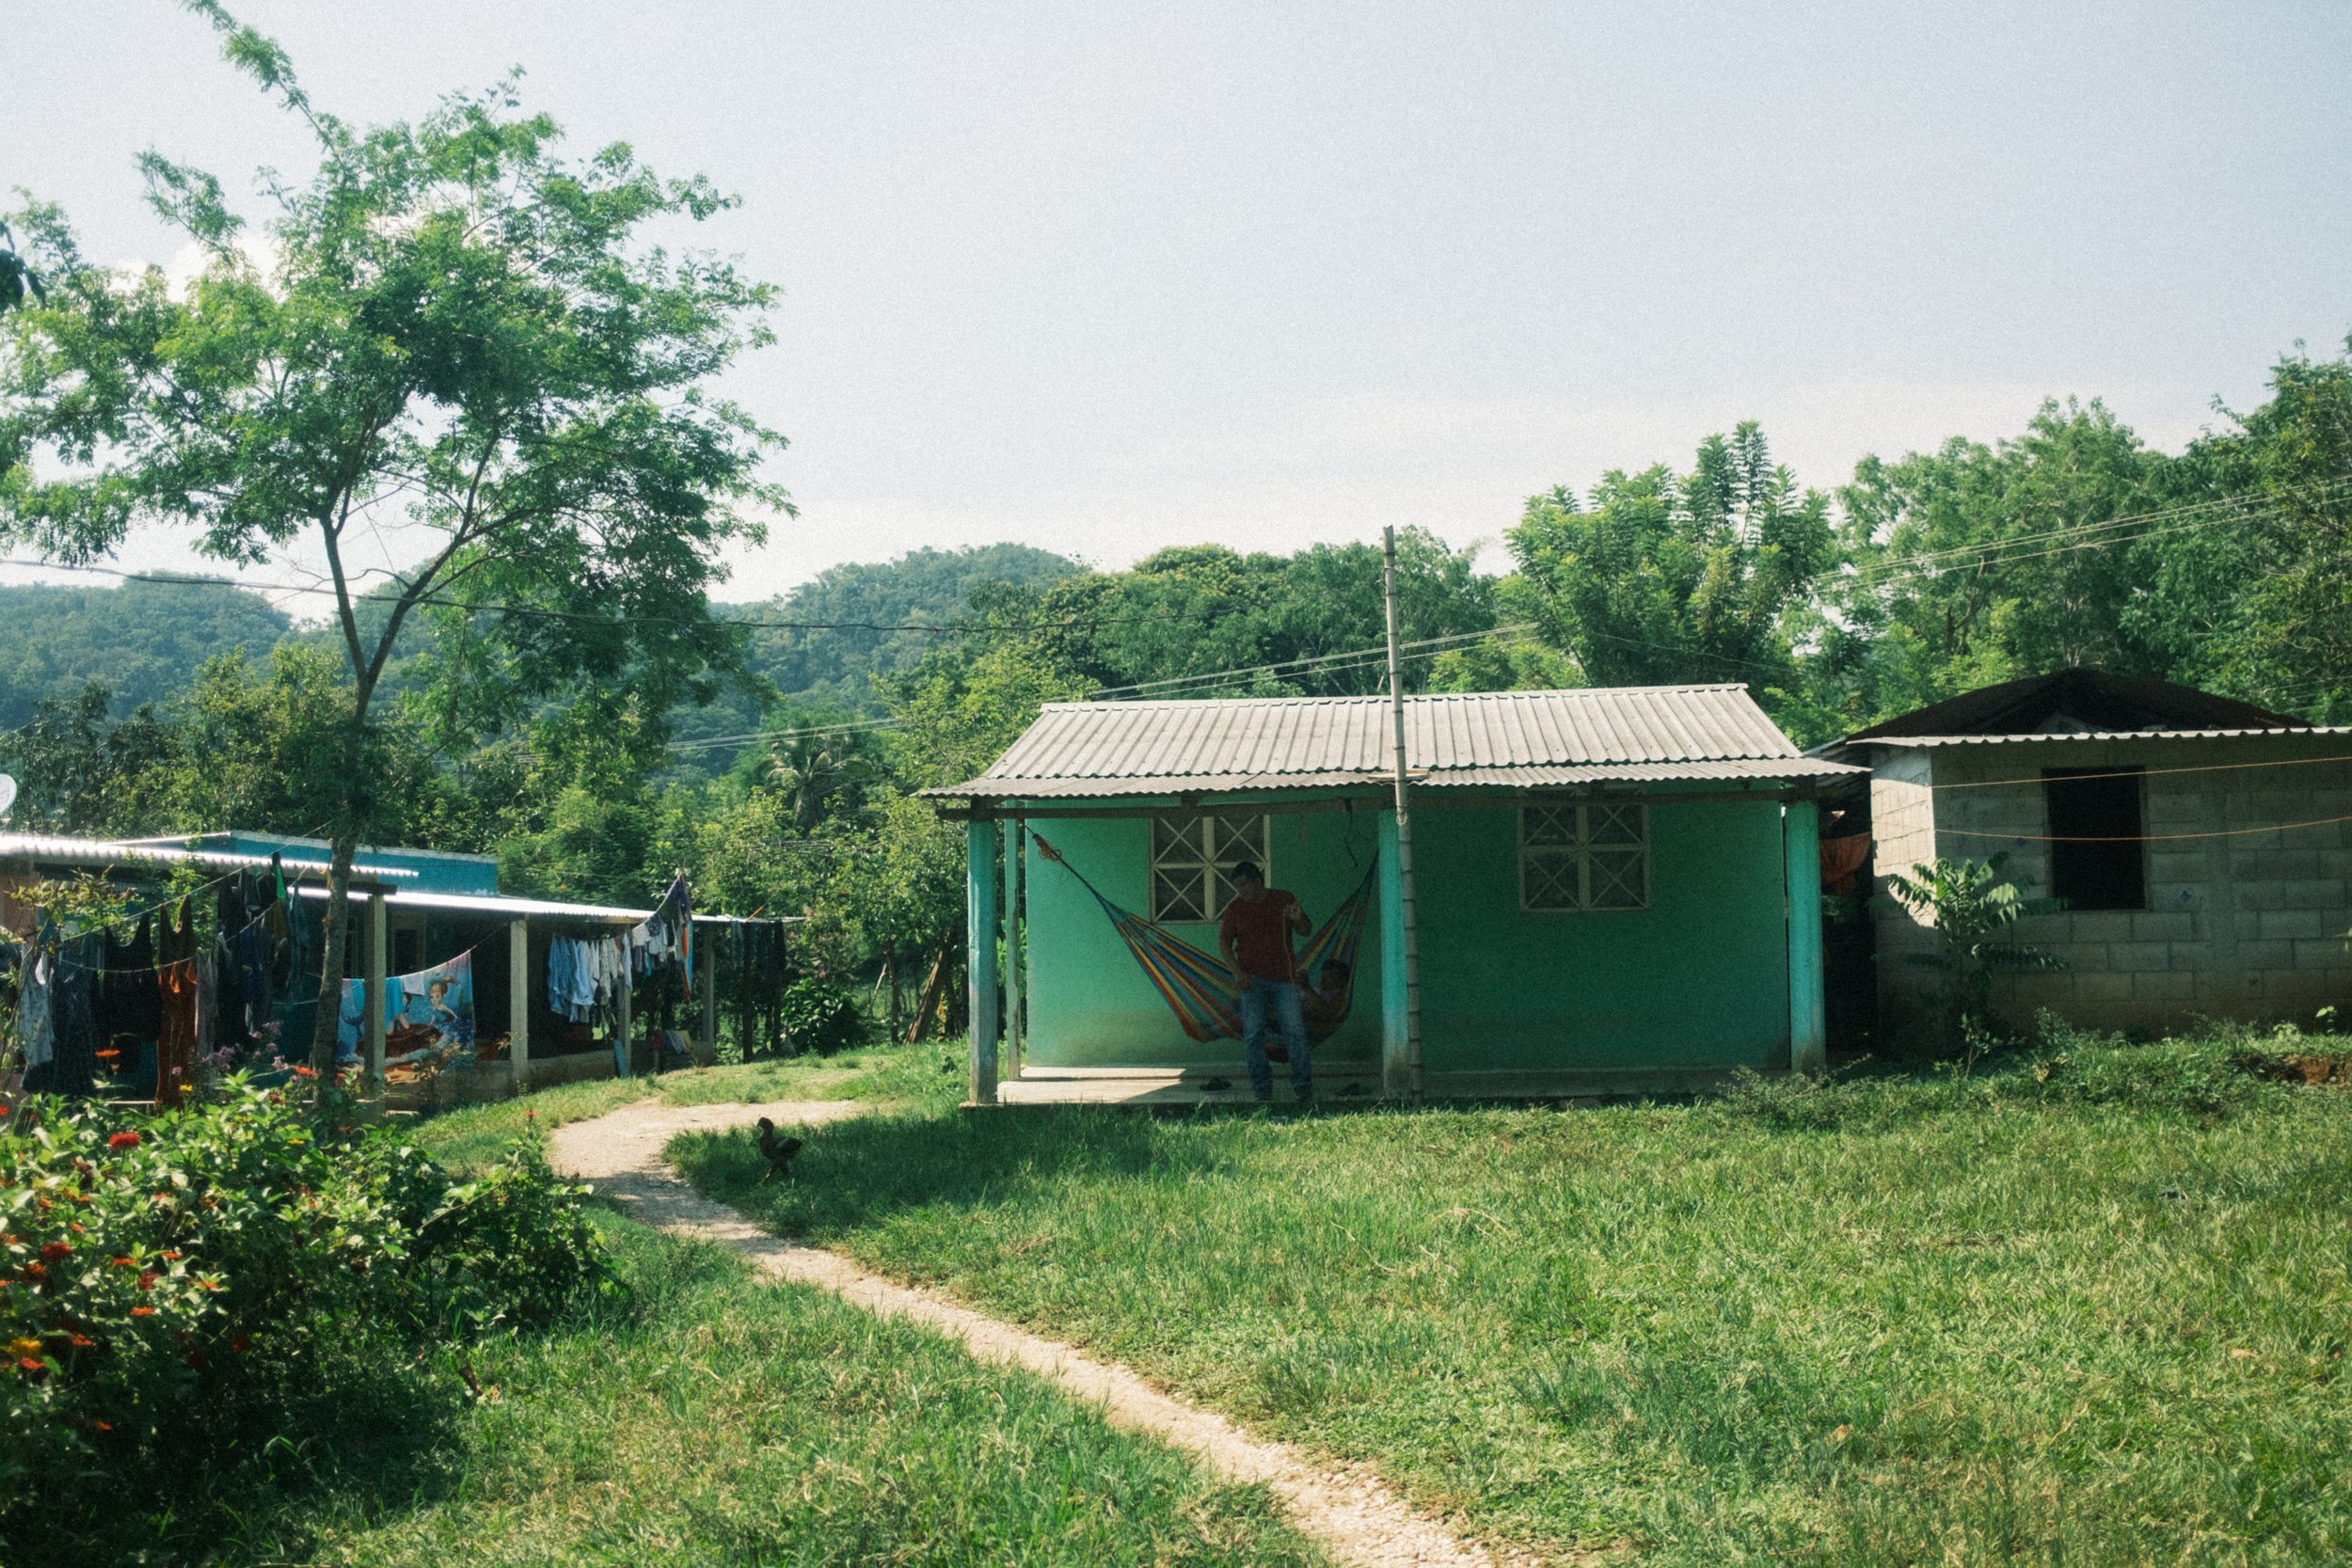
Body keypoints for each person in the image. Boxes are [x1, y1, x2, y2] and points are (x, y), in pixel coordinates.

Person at [1217, 860, 1313, 1105]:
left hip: (1285, 980)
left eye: (1244, 885)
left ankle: (1303, 1087)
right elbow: (1224, 944)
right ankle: (1262, 1089)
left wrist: (1297, 919)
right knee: (1253, 1035)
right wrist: (1237, 973)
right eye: (1237, 886)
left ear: (1258, 881)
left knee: (1295, 1031)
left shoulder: (1284, 899)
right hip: (1251, 982)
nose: (1241, 891)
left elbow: (1306, 930)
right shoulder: (1235, 908)